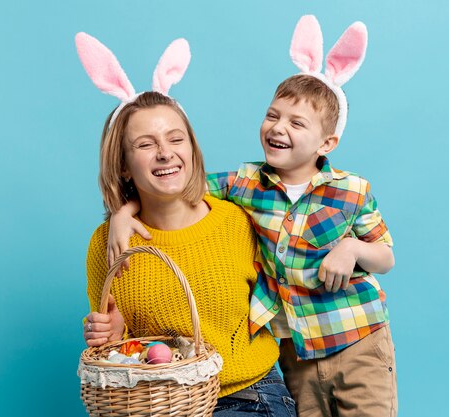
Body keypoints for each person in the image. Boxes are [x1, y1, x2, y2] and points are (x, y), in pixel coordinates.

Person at [107, 17, 397, 417]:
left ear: (327, 142)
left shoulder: (352, 190)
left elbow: (386, 256)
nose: (278, 128)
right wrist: (125, 212)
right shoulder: (245, 184)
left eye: (297, 123)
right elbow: (175, 185)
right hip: (296, 349)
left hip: (357, 337)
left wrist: (351, 248)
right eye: (273, 116)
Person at [76, 30, 296, 417]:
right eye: (145, 144)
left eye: (175, 139)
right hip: (160, 404)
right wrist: (112, 334)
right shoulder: (106, 244)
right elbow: (121, 353)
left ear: (191, 149)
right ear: (124, 165)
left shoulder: (239, 220)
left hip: (246, 397)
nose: (164, 153)